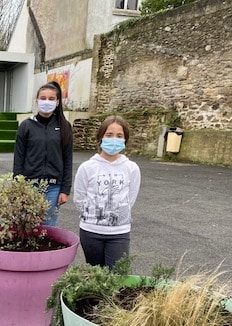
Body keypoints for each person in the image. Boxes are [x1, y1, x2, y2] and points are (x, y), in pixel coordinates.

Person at [73, 115, 141, 268]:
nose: (114, 139)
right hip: (90, 231)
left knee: (117, 277)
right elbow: (79, 198)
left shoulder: (131, 168)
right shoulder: (87, 167)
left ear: (125, 139)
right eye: (109, 135)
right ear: (101, 137)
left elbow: (131, 198)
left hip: (119, 232)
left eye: (119, 136)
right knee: (95, 276)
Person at [13, 81, 74, 226]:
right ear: (37, 100)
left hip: (53, 188)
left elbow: (67, 159)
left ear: (58, 102)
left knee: (48, 228)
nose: (47, 102)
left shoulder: (64, 127)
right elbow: (19, 158)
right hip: (29, 186)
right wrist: (17, 187)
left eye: (51, 99)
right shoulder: (26, 126)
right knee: (27, 226)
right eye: (43, 98)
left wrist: (65, 190)